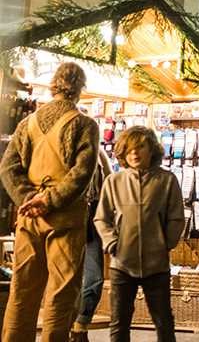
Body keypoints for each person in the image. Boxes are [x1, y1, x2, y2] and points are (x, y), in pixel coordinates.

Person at [0, 62, 99, 342]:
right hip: (65, 218)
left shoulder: (26, 124)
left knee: (23, 291)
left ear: (54, 85)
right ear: (79, 88)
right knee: (61, 292)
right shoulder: (84, 124)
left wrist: (29, 198)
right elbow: (82, 173)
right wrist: (50, 199)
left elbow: (8, 168)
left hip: (29, 217)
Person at [94, 126, 184, 342]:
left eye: (140, 147)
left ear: (151, 150)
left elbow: (176, 217)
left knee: (163, 321)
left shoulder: (166, 180)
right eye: (129, 149)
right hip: (122, 264)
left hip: (157, 264)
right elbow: (101, 218)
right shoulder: (113, 182)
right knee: (119, 322)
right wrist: (112, 242)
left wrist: (166, 243)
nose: (134, 153)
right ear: (123, 152)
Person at [70, 147, 113, 342]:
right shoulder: (60, 151)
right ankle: (67, 326)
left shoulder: (98, 152)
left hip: (92, 216)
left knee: (94, 277)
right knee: (66, 278)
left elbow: (109, 185)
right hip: (65, 215)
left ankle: (80, 326)